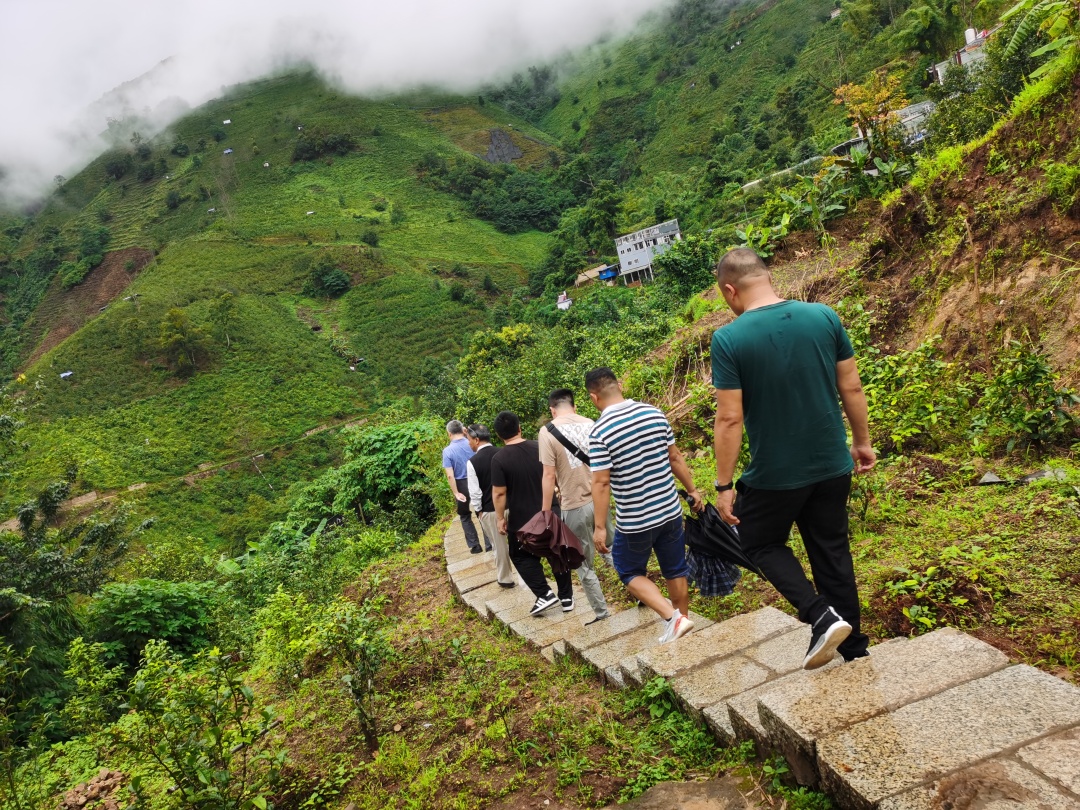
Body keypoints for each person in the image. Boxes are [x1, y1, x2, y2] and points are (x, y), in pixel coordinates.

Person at [710, 247, 876, 670]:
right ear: (767, 276)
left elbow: (730, 418)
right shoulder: (823, 316)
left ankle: (820, 615)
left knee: (758, 541)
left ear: (730, 290)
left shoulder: (729, 338)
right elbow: (852, 388)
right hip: (832, 464)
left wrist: (724, 486)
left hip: (776, 475)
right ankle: (853, 646)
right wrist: (861, 442)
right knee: (832, 549)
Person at [586, 368, 705, 644]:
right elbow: (674, 458)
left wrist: (600, 526)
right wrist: (692, 490)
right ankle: (682, 621)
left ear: (594, 397)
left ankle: (673, 618)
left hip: (636, 519)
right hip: (669, 511)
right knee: (675, 568)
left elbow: (601, 483)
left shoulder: (600, 431)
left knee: (628, 570)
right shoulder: (654, 413)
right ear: (619, 386)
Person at [490, 411, 573, 616]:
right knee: (557, 551)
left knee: (520, 555)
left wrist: (500, 518)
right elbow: (556, 474)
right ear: (520, 428)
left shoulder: (499, 459)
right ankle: (566, 597)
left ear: (499, 435)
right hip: (550, 510)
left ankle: (544, 594)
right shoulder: (539, 447)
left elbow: (499, 493)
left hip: (522, 517)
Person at [539, 388, 610, 624]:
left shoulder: (547, 431)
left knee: (583, 564)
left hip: (573, 506)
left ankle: (602, 613)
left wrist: (546, 512)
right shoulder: (591, 423)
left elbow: (549, 476)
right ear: (574, 406)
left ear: (552, 410)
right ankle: (640, 593)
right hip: (601, 501)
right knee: (612, 550)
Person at [466, 424, 514, 587]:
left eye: (469, 440)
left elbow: (475, 492)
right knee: (518, 541)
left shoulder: (473, 462)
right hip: (512, 505)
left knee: (499, 546)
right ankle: (527, 572)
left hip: (491, 510)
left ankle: (505, 578)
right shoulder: (504, 452)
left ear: (477, 440)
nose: (469, 443)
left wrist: (478, 511)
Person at [442, 420, 487, 554]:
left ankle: (475, 546)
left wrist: (456, 492)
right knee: (482, 511)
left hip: (461, 484)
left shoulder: (447, 451)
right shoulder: (472, 443)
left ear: (449, 434)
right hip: (478, 480)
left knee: (465, 515)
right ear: (463, 430)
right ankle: (490, 543)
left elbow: (450, 475)